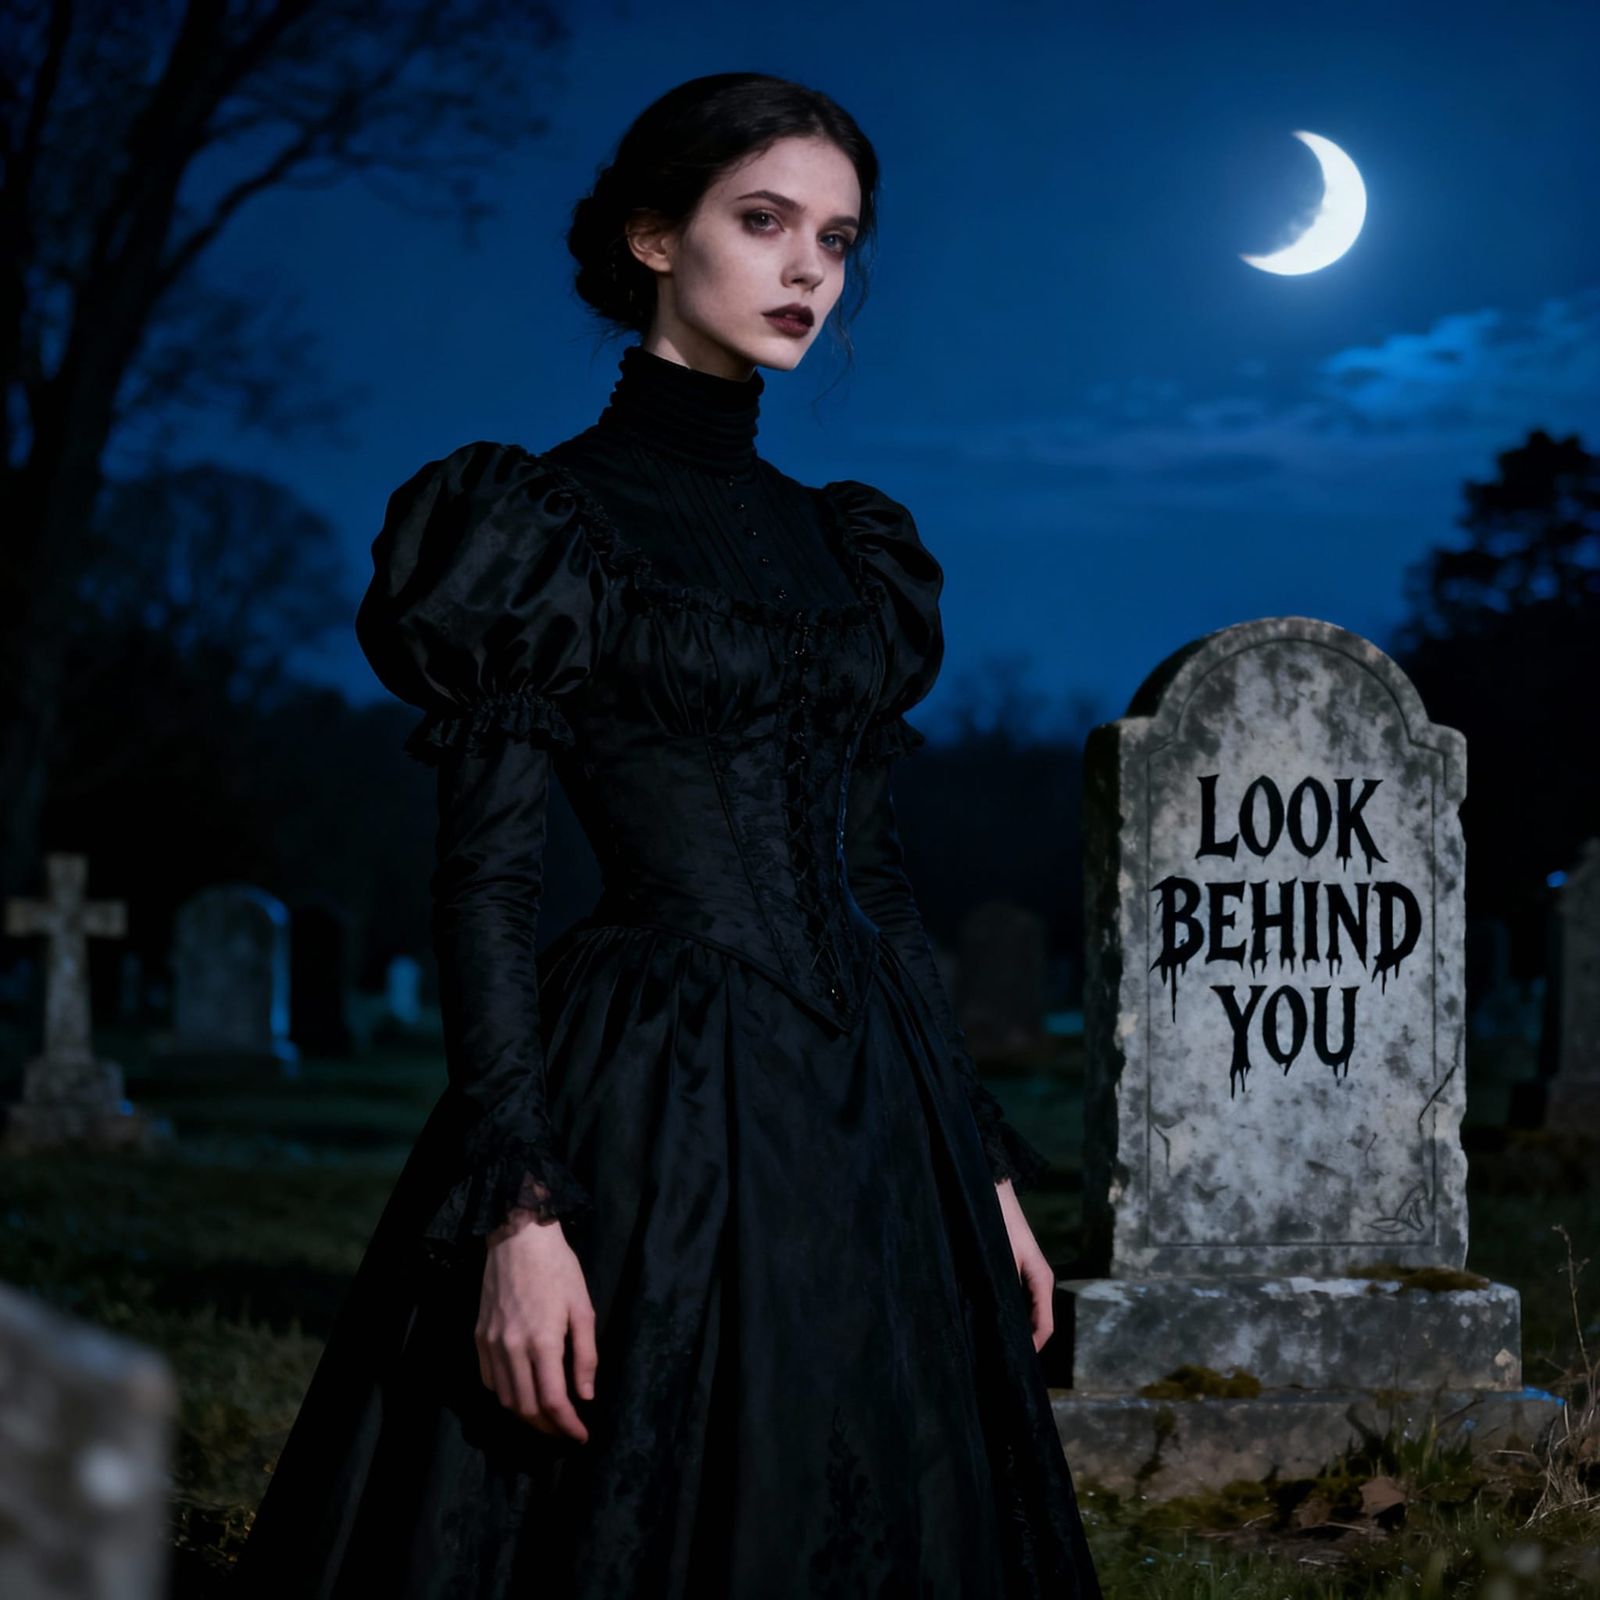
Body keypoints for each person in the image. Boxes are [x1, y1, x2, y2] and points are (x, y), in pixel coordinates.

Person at [231, 70, 1102, 1599]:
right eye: (763, 221)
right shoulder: (536, 524)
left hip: (877, 1100)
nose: (807, 270)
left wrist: (984, 1178)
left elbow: (874, 875)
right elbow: (490, 882)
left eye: (836, 239)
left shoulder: (850, 545)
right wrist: (518, 1214)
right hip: (662, 1095)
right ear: (652, 237)